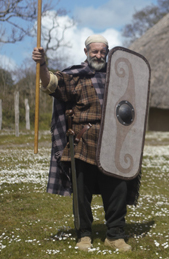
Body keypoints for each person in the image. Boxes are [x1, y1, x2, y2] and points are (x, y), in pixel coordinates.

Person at [32, 35, 139, 252]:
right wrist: (42, 64)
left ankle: (115, 235)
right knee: (82, 193)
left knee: (117, 189)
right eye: (94, 51)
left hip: (113, 142)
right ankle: (84, 235)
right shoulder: (75, 77)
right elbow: (50, 83)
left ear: (108, 53)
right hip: (83, 141)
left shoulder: (119, 78)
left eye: (103, 52)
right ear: (86, 52)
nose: (99, 55)